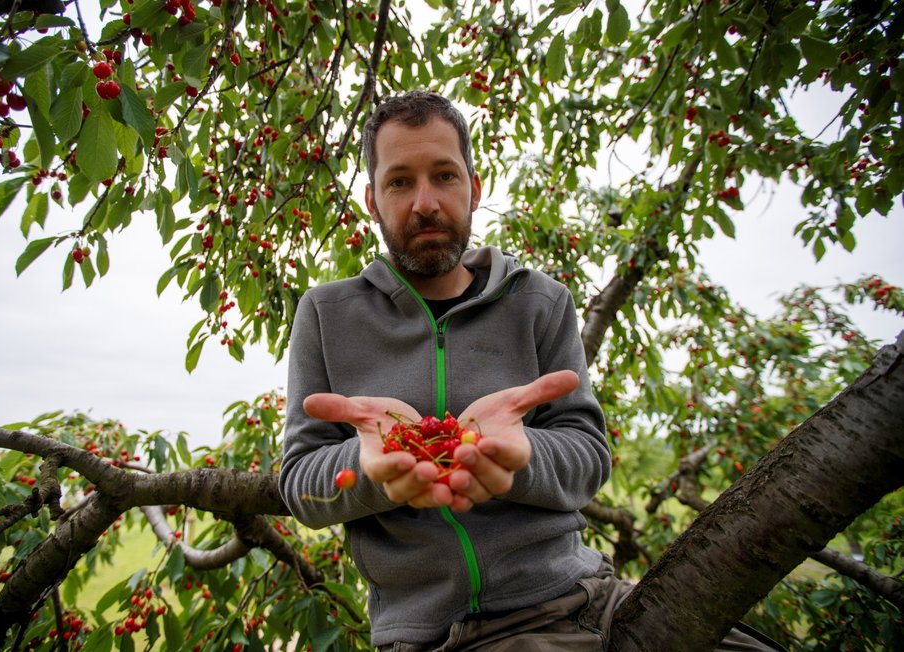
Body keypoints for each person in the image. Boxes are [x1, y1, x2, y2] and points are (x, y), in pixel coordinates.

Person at [278, 90, 773, 651]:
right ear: (371, 199)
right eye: (399, 181)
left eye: (444, 175)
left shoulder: (541, 301)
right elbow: (300, 485)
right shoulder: (325, 314)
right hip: (446, 636)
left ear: (475, 187)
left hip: (590, 598)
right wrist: (373, 465)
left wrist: (522, 456)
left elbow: (588, 457)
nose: (425, 202)